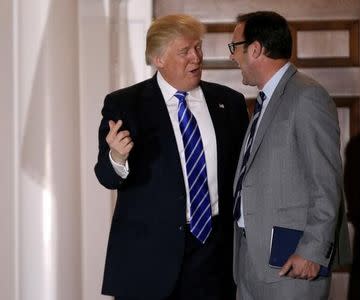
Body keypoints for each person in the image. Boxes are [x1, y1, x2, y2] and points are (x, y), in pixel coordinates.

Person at [94, 14, 249, 300]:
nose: (196, 58)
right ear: (158, 59)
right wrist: (117, 156)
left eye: (198, 47)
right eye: (184, 51)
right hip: (148, 261)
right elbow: (105, 175)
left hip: (214, 256)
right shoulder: (126, 104)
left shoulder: (230, 103)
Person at [229, 11, 351, 299]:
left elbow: (326, 183)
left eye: (235, 47)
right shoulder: (264, 102)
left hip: (291, 265)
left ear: (255, 49)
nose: (233, 57)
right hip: (250, 263)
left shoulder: (307, 96)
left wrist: (312, 251)